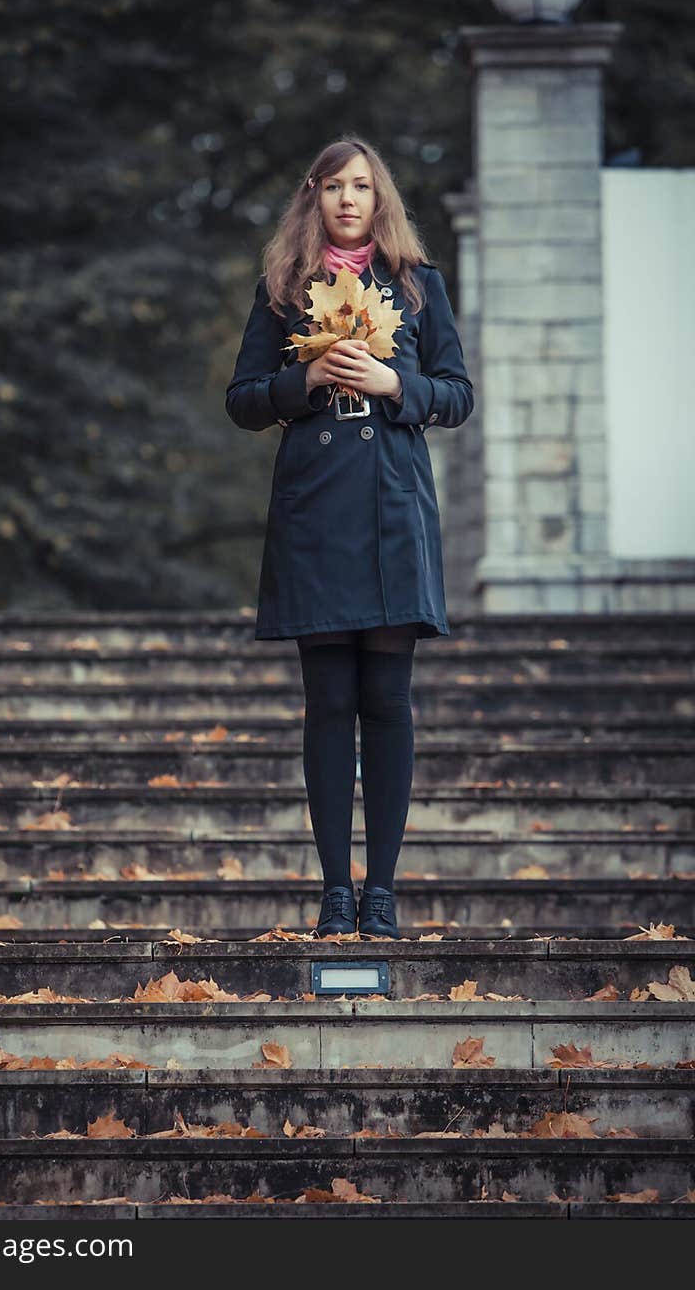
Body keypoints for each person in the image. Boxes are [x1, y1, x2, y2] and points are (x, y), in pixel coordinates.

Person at [225, 136, 475, 940]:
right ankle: (337, 890)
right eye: (333, 186)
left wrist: (395, 382)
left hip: (394, 510)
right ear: (314, 197)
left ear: (380, 198)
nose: (346, 198)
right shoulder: (283, 289)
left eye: (361, 186)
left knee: (388, 702)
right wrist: (307, 381)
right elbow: (243, 399)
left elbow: (459, 395)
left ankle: (384, 892)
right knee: (329, 702)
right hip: (317, 516)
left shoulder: (418, 284)